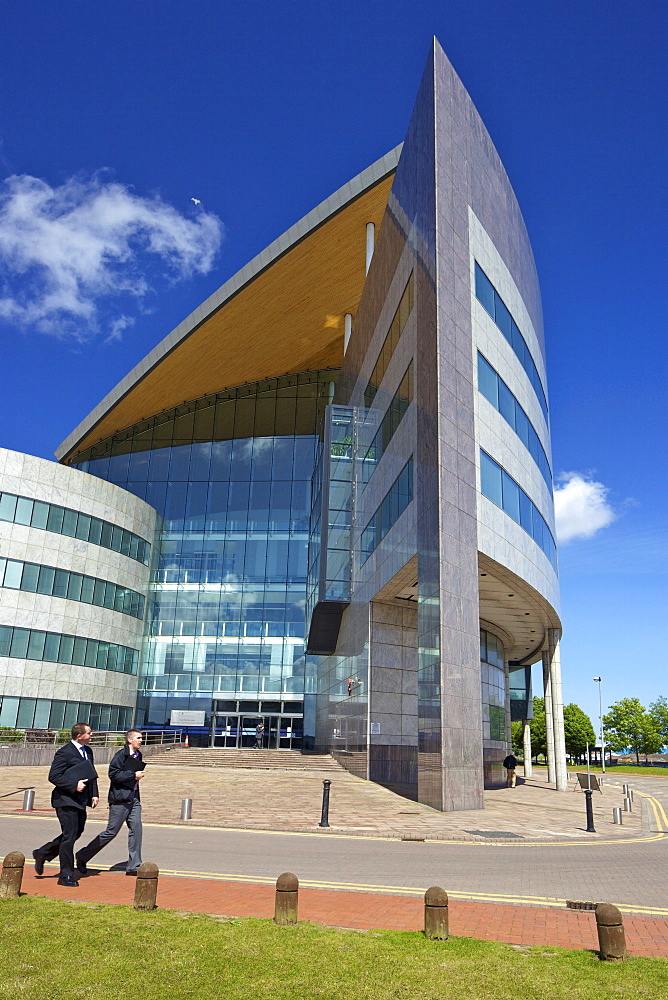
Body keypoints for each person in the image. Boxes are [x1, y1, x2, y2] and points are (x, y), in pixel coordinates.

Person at [33, 722, 99, 887]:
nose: (92, 736)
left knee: (76, 833)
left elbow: (91, 773)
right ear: (79, 736)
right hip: (65, 799)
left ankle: (42, 853)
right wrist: (73, 785)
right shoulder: (65, 753)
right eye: (89, 733)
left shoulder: (88, 751)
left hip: (81, 800)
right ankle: (65, 875)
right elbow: (54, 776)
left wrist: (94, 794)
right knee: (69, 836)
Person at [75, 728, 146, 876]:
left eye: (141, 738)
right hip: (120, 799)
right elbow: (113, 774)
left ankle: (134, 866)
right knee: (111, 831)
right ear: (129, 740)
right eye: (138, 738)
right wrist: (133, 775)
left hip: (134, 798)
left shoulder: (138, 755)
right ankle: (83, 856)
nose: (141, 740)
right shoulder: (121, 755)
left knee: (136, 829)